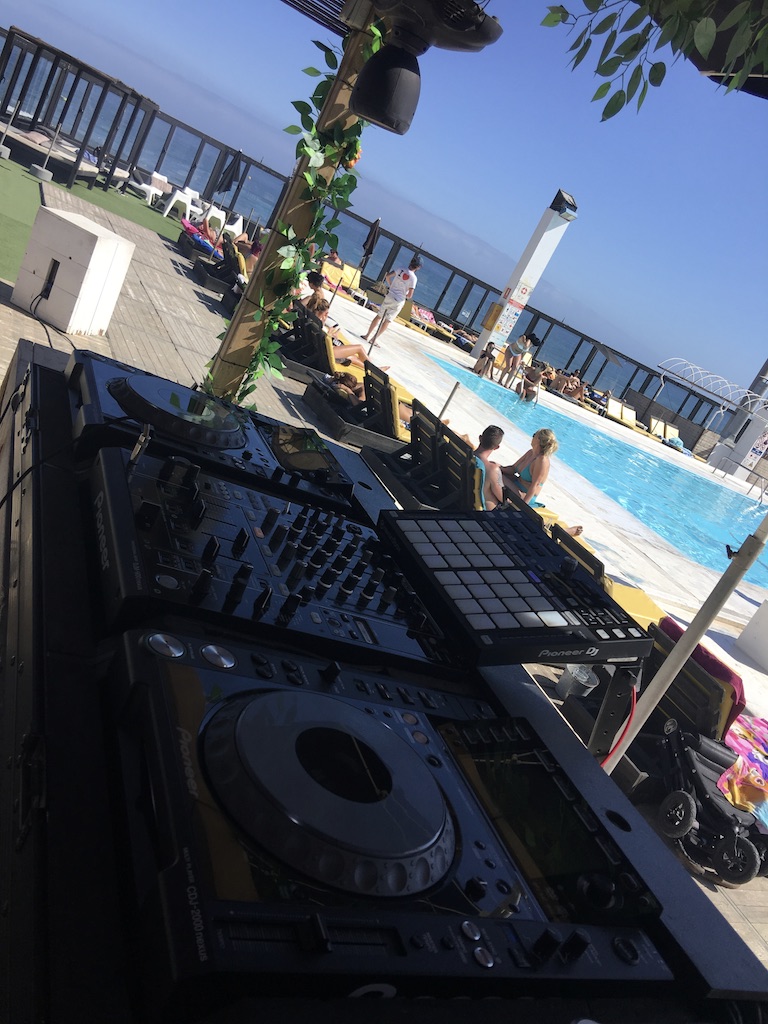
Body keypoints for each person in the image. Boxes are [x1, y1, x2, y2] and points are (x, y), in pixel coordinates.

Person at [306, 295, 386, 371]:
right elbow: (325, 340)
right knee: (359, 348)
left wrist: (331, 334)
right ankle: (375, 370)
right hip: (327, 352)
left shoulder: (311, 320)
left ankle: (374, 369)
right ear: (325, 313)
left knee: (352, 357)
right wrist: (330, 335)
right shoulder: (319, 324)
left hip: (318, 349)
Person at [361, 254, 422, 343]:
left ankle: (367, 335)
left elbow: (388, 276)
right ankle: (373, 339)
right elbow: (410, 295)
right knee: (387, 321)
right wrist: (404, 294)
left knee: (379, 316)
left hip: (390, 295)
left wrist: (391, 285)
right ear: (418, 267)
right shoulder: (413, 278)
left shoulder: (400, 268)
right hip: (399, 300)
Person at [501, 428, 556, 507]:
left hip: (525, 495)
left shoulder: (542, 461)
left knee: (495, 475)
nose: (532, 437)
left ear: (538, 440)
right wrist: (499, 467)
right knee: (494, 470)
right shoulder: (530, 453)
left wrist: (523, 506)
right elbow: (513, 469)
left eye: (534, 435)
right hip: (516, 485)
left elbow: (535, 485)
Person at [473, 425, 505, 510]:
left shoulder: (466, 455)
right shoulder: (492, 469)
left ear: (480, 438)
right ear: (496, 447)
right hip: (484, 512)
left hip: (460, 496)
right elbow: (503, 498)